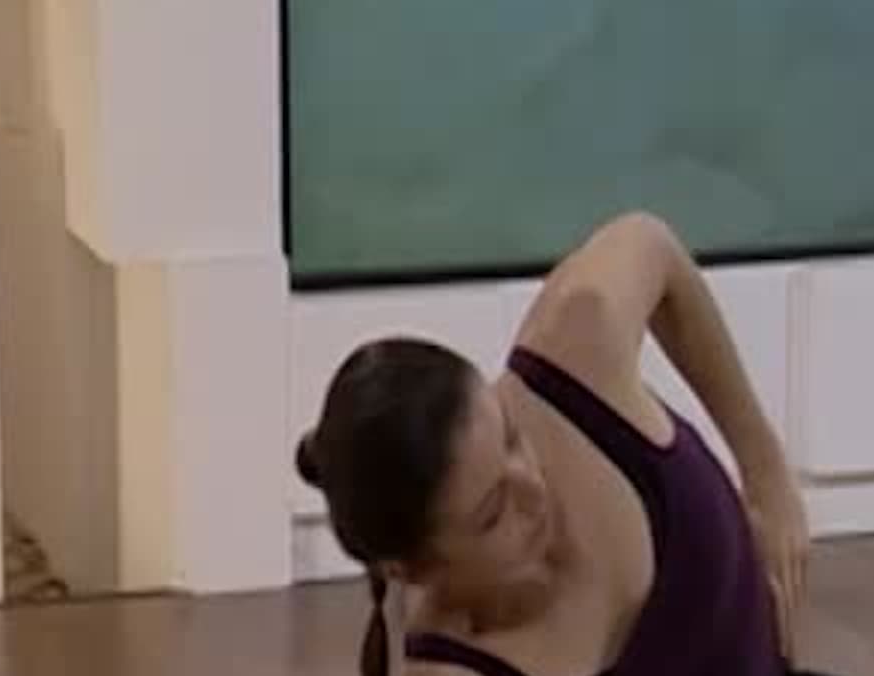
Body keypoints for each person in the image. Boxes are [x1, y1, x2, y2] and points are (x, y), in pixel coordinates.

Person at [294, 211, 820, 675]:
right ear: (414, 571)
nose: (532, 488)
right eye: (492, 513)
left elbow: (652, 244)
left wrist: (766, 473)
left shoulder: (574, 353)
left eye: (510, 437)